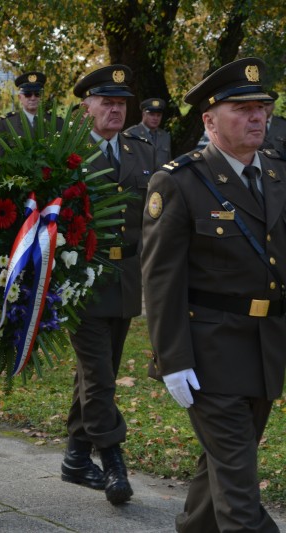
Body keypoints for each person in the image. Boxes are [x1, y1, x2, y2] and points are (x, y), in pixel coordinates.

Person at [142, 57, 286, 533]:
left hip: (264, 349)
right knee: (241, 498)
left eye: (263, 107)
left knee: (221, 473)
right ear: (209, 120)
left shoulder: (275, 175)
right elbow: (161, 278)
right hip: (209, 355)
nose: (257, 117)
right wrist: (172, 359)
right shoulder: (180, 181)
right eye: (243, 109)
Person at [61, 65, 154, 505]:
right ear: (88, 108)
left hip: (126, 279)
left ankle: (76, 457)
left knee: (100, 373)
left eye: (121, 103)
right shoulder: (68, 152)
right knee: (99, 378)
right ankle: (113, 459)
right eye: (107, 102)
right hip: (83, 280)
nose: (116, 110)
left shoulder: (140, 150)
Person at [0, 71, 63, 154]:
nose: (33, 98)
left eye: (37, 94)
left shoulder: (57, 122)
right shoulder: (7, 123)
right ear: (20, 97)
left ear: (41, 97)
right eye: (28, 94)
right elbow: (0, 158)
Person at [124, 98, 171, 169]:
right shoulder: (131, 134)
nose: (155, 118)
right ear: (143, 114)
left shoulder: (165, 136)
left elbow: (168, 161)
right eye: (152, 115)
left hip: (161, 178)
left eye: (158, 115)